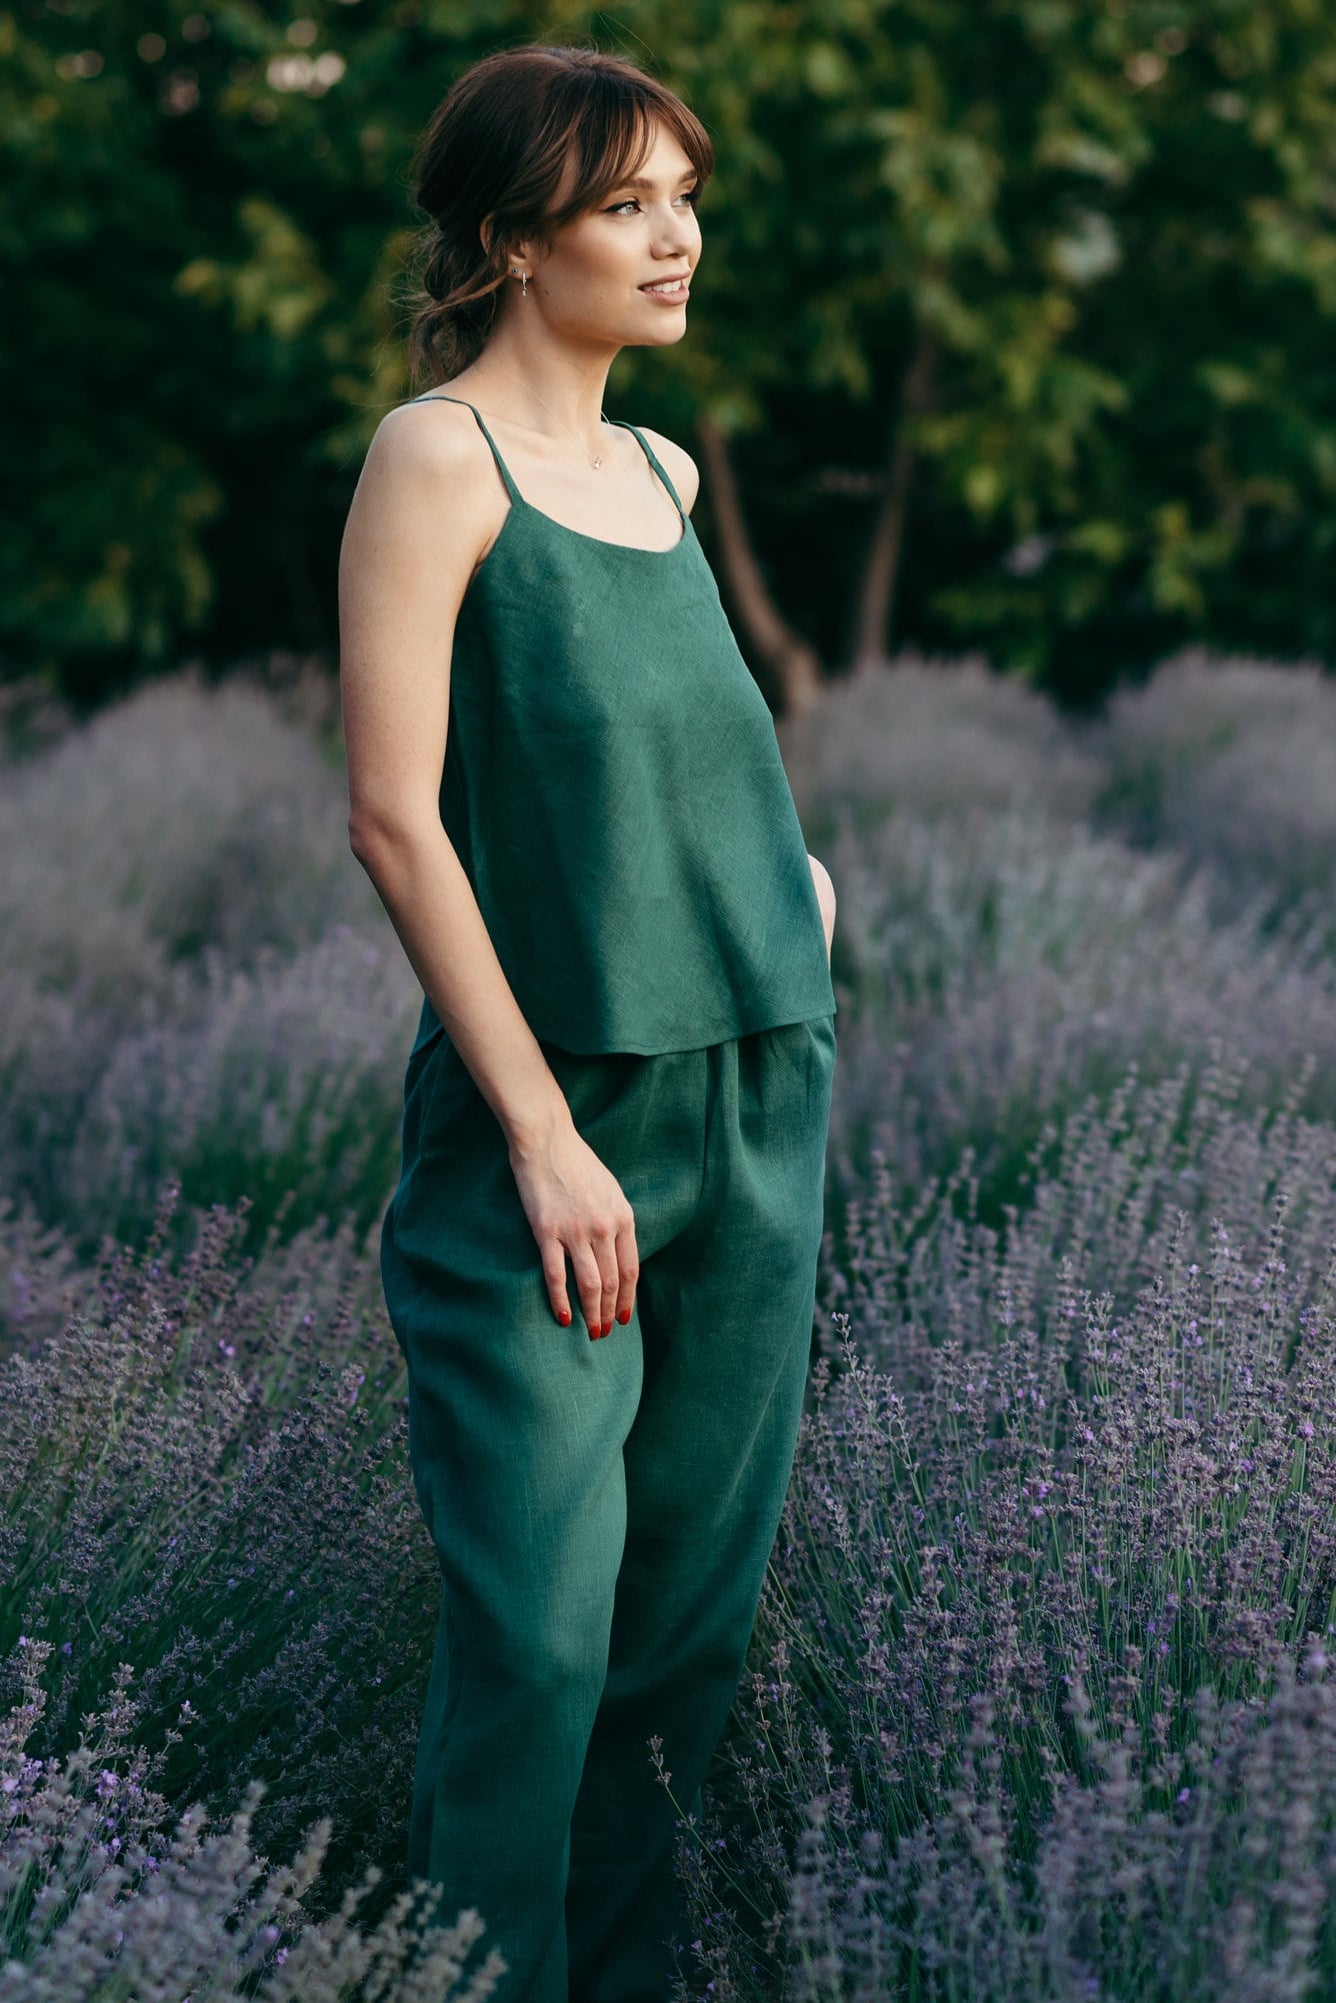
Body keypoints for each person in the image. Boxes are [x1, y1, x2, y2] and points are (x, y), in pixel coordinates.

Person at [338, 41, 838, 2003]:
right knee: (539, 1636)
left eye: (681, 197)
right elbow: (393, 814)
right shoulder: (432, 460)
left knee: (676, 1645)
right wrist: (542, 1132)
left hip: (756, 1097)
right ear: (506, 234)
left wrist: (792, 900)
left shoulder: (663, 469)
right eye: (627, 200)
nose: (674, 235)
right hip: (556, 1123)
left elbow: (680, 763)